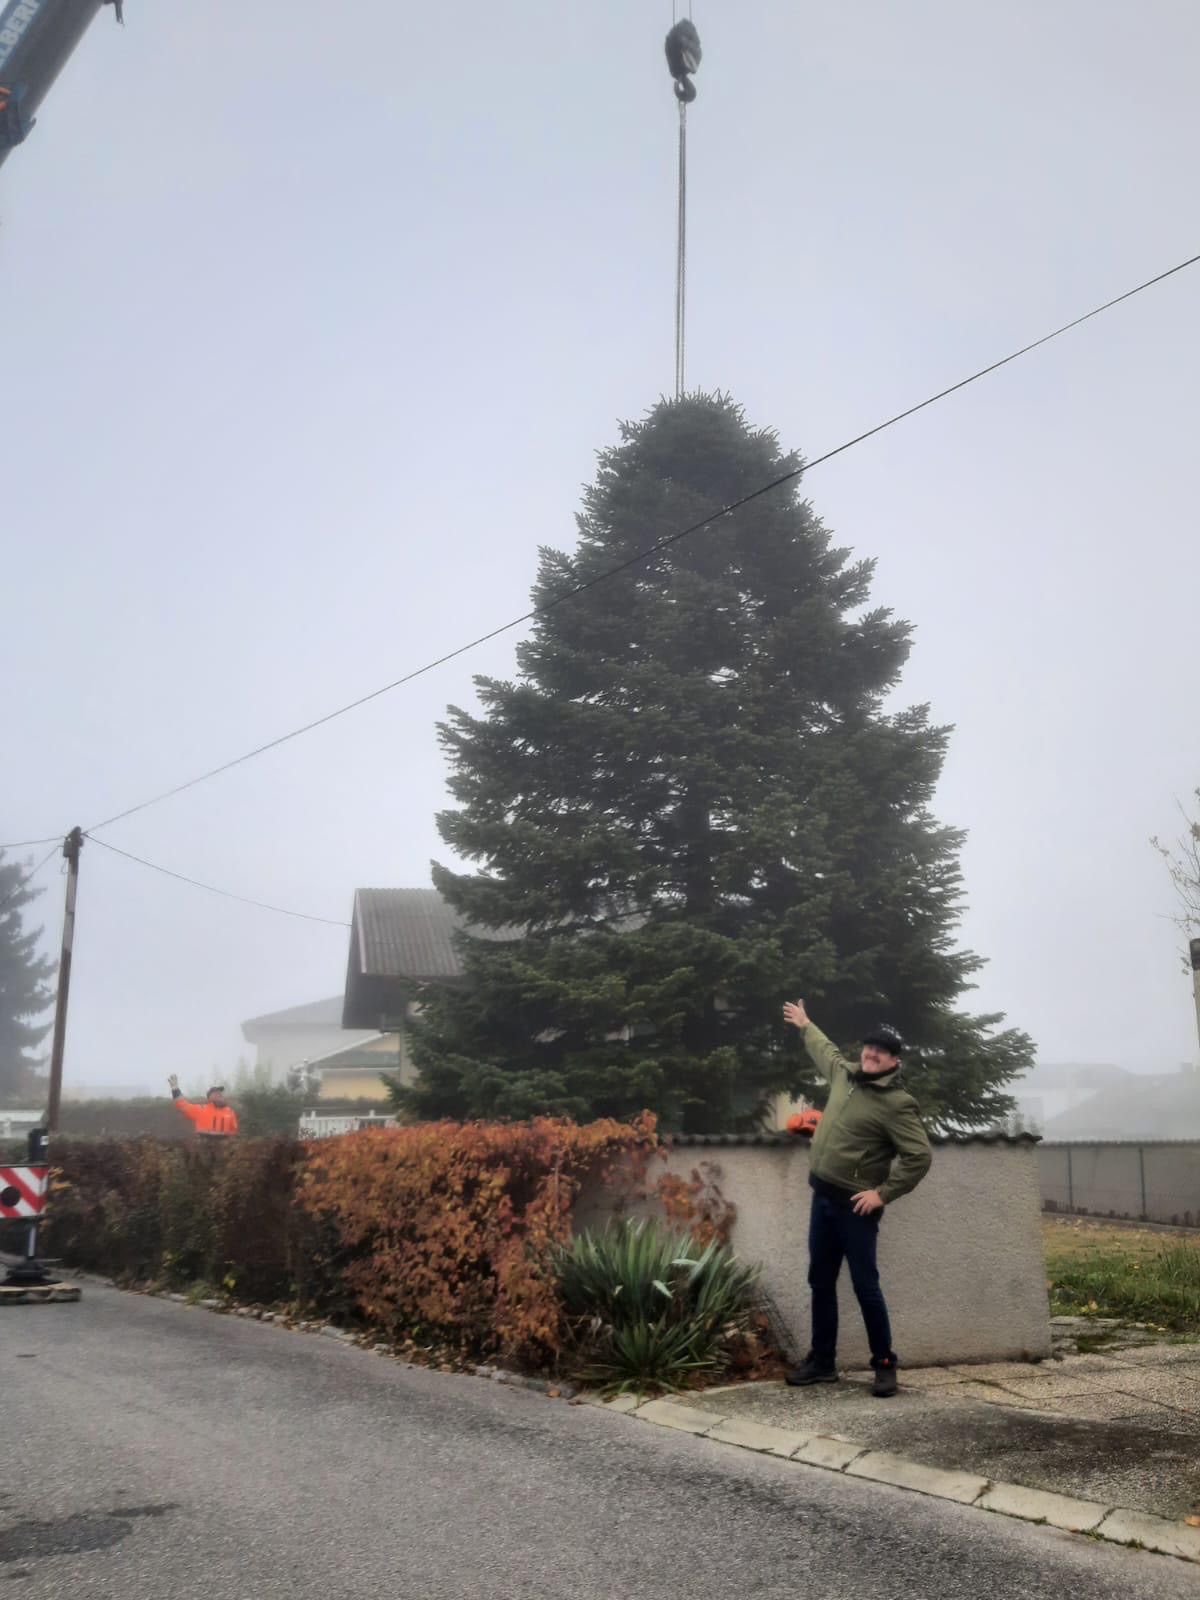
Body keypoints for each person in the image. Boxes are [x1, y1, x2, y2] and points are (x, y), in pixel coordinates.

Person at [781, 998, 932, 1398]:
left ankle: (884, 1364)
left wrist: (882, 1194)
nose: (871, 1053)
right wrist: (805, 1024)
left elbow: (919, 1156)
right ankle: (822, 1363)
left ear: (894, 1060)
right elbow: (825, 1050)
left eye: (880, 1051)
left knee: (866, 1286)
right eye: (868, 1047)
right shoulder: (845, 1075)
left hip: (855, 1209)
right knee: (821, 1281)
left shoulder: (898, 1104)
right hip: (823, 1198)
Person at [167, 1075, 238, 1138]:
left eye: (220, 1093)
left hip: (224, 1149)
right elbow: (182, 1105)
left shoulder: (230, 1111)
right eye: (216, 1093)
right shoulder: (201, 1110)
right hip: (204, 1148)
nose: (219, 1094)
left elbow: (234, 1132)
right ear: (209, 1097)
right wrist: (175, 1089)